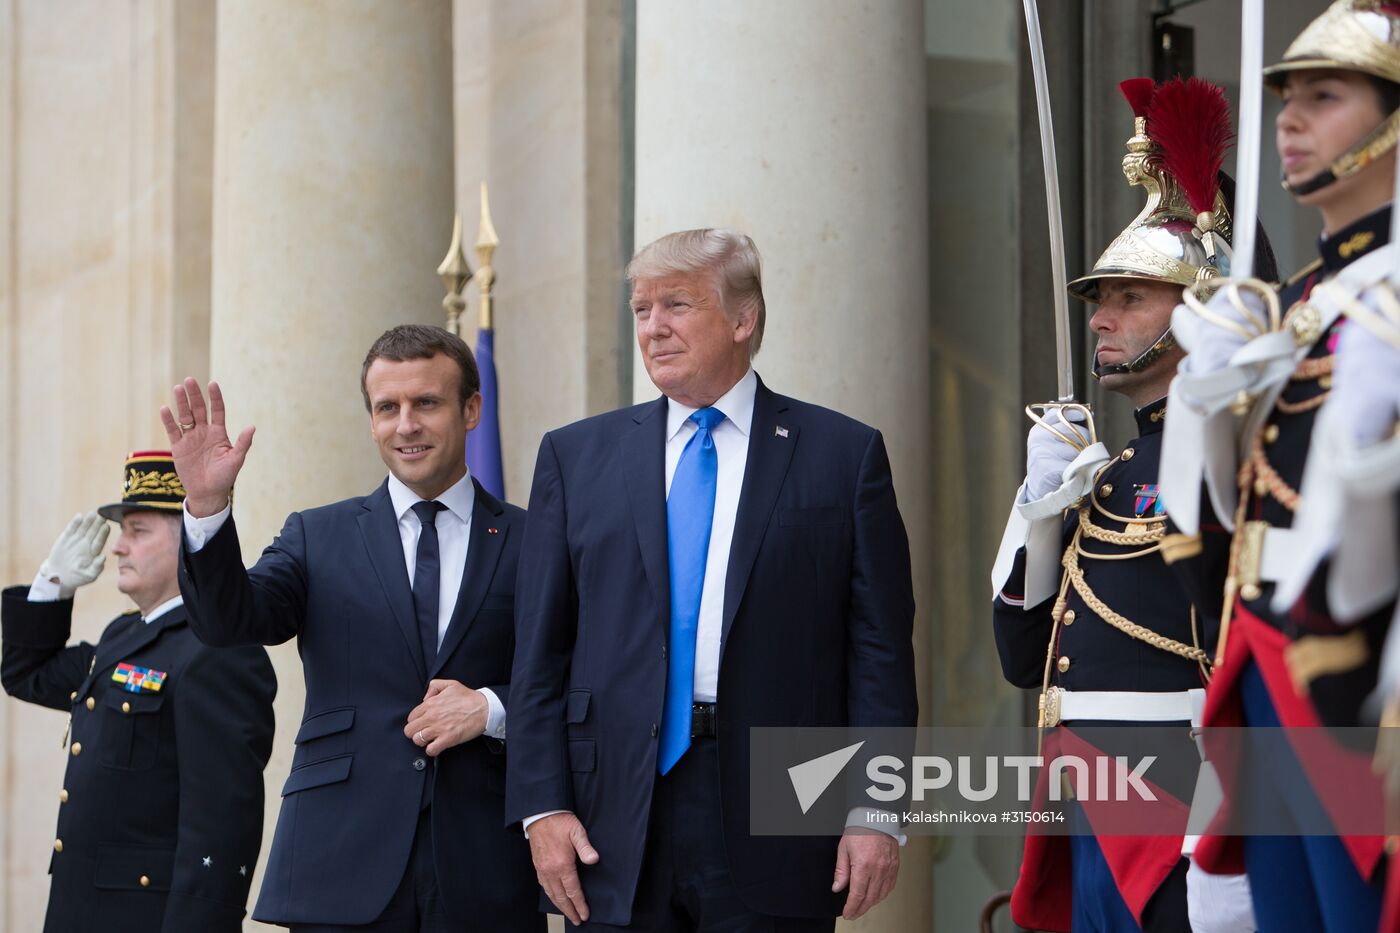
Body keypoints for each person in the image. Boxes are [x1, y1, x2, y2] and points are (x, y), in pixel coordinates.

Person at [505, 228, 918, 931]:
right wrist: (542, 806)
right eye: (641, 309)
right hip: (612, 815)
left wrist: (877, 810)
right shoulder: (575, 458)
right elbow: (540, 654)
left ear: (742, 318)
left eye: (676, 305)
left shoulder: (844, 456)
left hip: (780, 811)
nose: (654, 328)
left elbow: (880, 653)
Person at [991, 75, 1272, 933]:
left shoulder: (1242, 451)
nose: (1100, 320)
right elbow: (1022, 655)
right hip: (1085, 802)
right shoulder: (1101, 469)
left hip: (1186, 803)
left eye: (1127, 297)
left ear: (1197, 314)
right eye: (1100, 300)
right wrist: (1043, 508)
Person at [164, 325, 542, 932]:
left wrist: (492, 708)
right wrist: (208, 509)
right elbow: (229, 620)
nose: (406, 425)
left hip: (484, 864)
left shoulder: (536, 541)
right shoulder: (318, 536)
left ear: (472, 410)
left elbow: (578, 674)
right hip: (341, 863)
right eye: (387, 408)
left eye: (427, 403)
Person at [1160, 2, 1400, 928]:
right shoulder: (1293, 302)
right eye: (1286, 99)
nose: (1290, 122)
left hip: (1363, 674)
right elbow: (1214, 511)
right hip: (1260, 657)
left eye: (1325, 96)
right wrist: (1204, 407)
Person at [1, 450, 276, 932]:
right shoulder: (122, 637)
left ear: (187, 544)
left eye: (138, 531)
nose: (118, 548)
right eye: (122, 530)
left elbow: (220, 826)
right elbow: (27, 673)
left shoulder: (219, 651)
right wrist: (52, 586)